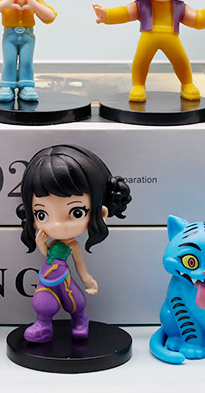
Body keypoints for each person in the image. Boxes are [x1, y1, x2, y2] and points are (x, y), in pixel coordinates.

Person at [16, 144, 131, 342]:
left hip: (64, 278)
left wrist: (88, 279)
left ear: (101, 212)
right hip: (48, 275)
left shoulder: (72, 245)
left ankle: (80, 320)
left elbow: (80, 265)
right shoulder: (52, 243)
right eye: (41, 214)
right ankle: (43, 325)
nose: (57, 225)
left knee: (74, 301)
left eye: (76, 212)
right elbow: (47, 254)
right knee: (42, 301)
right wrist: (40, 242)